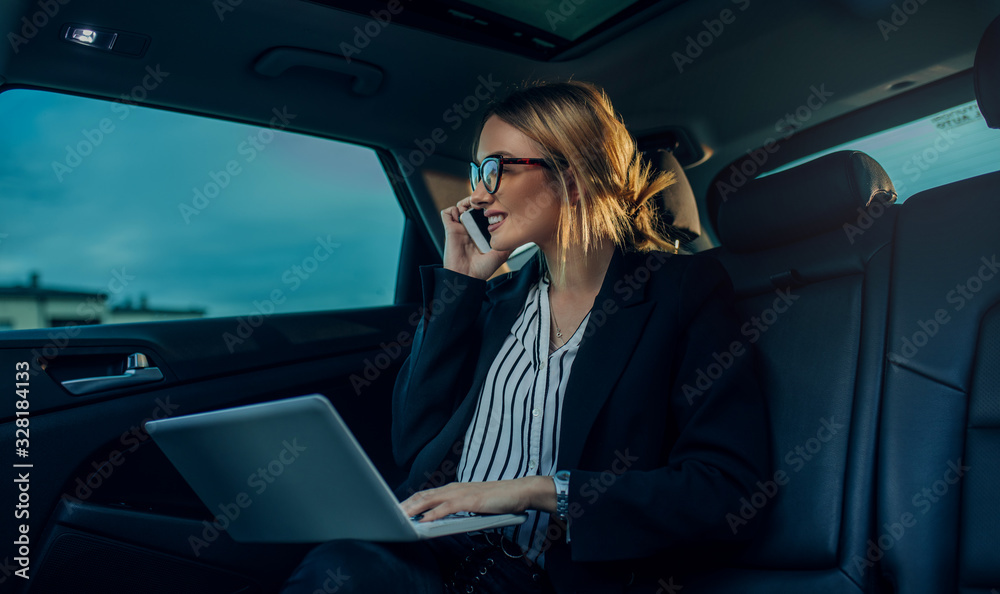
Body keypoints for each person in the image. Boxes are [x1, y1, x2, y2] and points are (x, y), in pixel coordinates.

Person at [283, 80, 770, 593]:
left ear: (575, 175)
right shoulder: (498, 301)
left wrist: (537, 491)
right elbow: (413, 443)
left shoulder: (680, 294)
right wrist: (461, 286)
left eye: (497, 169)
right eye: (477, 172)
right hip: (432, 548)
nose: (477, 195)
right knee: (337, 568)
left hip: (541, 575)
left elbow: (727, 490)